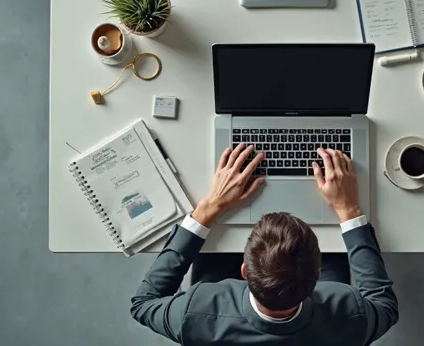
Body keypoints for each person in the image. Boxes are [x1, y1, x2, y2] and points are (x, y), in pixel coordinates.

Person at [130, 144, 398, 345]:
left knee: (212, 248)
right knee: (338, 255)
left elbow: (143, 304)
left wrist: (208, 208)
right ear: (317, 275)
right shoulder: (351, 315)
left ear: (244, 271)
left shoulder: (194, 313)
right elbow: (384, 305)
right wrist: (349, 210)